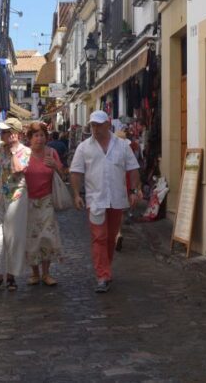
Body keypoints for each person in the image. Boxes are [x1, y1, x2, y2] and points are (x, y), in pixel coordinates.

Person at [70, 110, 141, 293]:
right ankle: (102, 275)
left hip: (117, 198)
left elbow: (133, 169)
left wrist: (134, 190)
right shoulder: (84, 147)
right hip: (95, 200)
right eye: (93, 125)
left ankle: (105, 269)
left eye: (99, 125)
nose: (96, 129)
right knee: (99, 237)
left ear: (108, 125)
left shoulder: (123, 146)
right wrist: (77, 194)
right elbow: (76, 172)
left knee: (110, 238)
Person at [0, 117, 31, 294]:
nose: (2, 134)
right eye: (2, 132)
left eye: (5, 132)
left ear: (15, 135)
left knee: (13, 238)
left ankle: (11, 276)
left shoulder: (26, 152)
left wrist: (11, 151)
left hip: (16, 198)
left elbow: (18, 169)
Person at [24, 122, 67, 286]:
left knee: (47, 237)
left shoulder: (52, 153)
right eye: (36, 135)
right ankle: (34, 273)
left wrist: (56, 166)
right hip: (28, 201)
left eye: (42, 135)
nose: (39, 139)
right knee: (32, 237)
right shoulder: (24, 154)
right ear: (30, 138)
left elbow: (63, 175)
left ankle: (46, 273)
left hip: (47, 201)